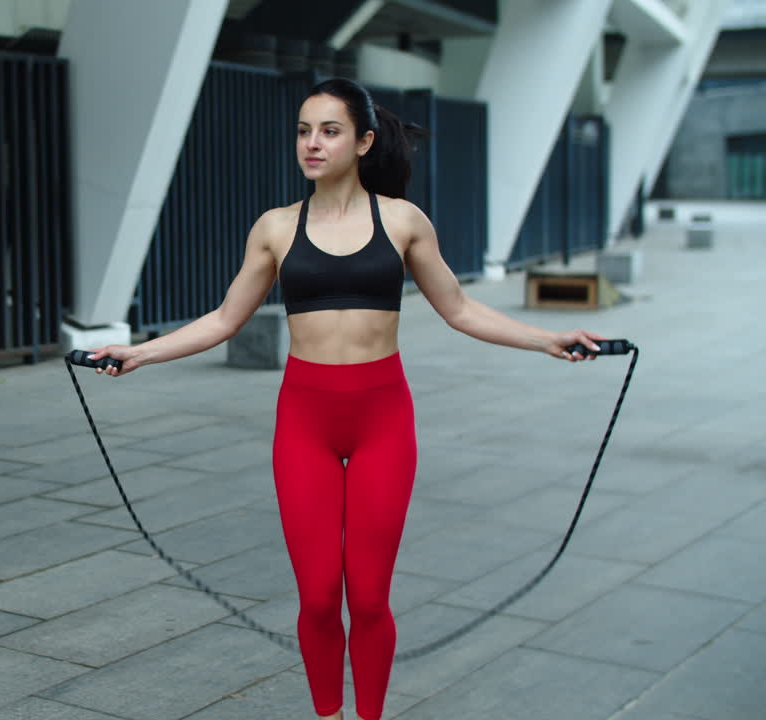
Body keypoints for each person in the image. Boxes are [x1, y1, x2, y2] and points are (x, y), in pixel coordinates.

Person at [87, 77, 606, 720]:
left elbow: (462, 308)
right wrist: (139, 353)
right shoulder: (276, 228)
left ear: (362, 141)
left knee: (366, 598)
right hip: (304, 420)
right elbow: (224, 319)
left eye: (329, 131)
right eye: (304, 130)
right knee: (315, 599)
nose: (312, 143)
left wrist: (549, 340)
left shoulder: (402, 220)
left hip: (382, 419)